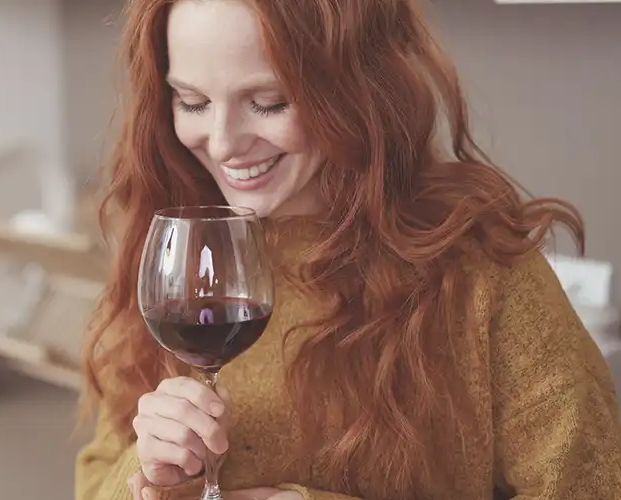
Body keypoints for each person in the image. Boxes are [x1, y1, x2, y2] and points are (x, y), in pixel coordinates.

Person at [75, 0, 621, 499]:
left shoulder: (479, 269)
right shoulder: (173, 252)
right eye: (192, 102)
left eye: (268, 103)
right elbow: (94, 482)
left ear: (355, 87)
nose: (222, 143)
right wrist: (147, 474)